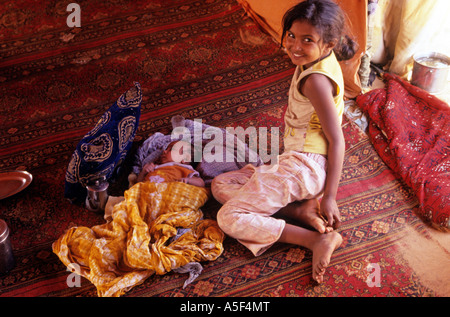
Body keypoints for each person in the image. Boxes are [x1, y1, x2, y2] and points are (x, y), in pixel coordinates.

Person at [211, 0, 358, 283]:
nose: (295, 46)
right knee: (220, 185)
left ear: (328, 44)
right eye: (291, 35)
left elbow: (337, 139)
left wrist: (329, 196)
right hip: (296, 161)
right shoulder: (319, 60)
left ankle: (314, 240)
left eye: (307, 40)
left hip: (305, 167)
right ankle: (299, 210)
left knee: (228, 218)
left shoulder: (316, 81)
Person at [137, 140, 205, 187]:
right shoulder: (155, 166)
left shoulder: (184, 169)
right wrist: (143, 172)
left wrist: (187, 180)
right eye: (166, 148)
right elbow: (137, 185)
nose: (164, 151)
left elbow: (201, 183)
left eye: (171, 149)